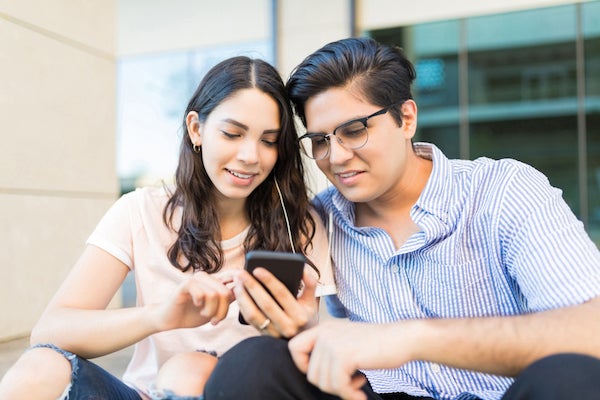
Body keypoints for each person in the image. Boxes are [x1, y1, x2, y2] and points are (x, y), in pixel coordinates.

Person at [201, 37, 600, 400]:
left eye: (354, 131)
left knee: (572, 376)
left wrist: (411, 337)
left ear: (406, 118)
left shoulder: (503, 191)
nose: (336, 157)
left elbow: (592, 332)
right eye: (320, 140)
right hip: (383, 395)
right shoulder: (320, 219)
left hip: (508, 393)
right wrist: (302, 329)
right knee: (253, 364)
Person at [0, 56, 335, 400]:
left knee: (190, 370)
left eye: (268, 141)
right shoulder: (140, 211)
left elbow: (310, 361)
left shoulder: (301, 225)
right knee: (40, 367)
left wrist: (301, 325)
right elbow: (51, 330)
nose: (251, 155)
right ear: (196, 129)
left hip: (231, 391)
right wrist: (161, 316)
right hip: (145, 392)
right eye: (232, 133)